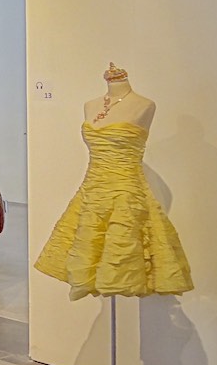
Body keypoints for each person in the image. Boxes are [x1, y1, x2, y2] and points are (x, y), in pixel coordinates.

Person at [34, 63, 193, 299]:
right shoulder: (90, 106)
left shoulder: (145, 105)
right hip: (91, 192)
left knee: (121, 253)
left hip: (126, 193)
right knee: (89, 250)